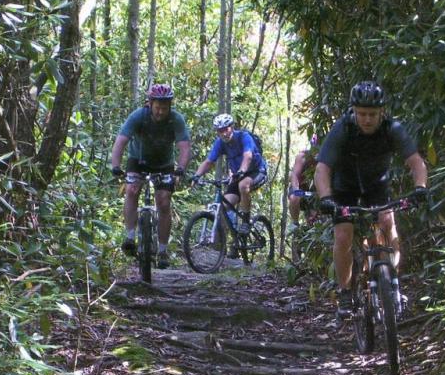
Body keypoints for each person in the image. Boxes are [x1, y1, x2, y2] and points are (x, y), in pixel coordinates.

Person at [314, 80, 429, 320]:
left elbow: (416, 162)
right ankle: (345, 292)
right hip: (345, 188)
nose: (367, 119)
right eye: (362, 114)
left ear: (382, 113)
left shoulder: (392, 128)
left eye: (372, 114)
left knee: (388, 226)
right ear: (354, 112)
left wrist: (420, 188)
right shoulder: (343, 129)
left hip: (377, 186)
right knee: (344, 234)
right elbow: (322, 168)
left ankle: (392, 284)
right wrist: (326, 198)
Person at [110, 83, 191, 269]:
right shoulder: (139, 116)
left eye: (165, 107)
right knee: (131, 189)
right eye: (157, 107)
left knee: (163, 202)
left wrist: (181, 168)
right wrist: (116, 165)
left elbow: (184, 148)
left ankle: (162, 250)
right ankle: (130, 236)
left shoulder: (176, 119)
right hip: (138, 161)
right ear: (150, 104)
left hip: (165, 164)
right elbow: (121, 142)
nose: (161, 111)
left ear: (170, 106)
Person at [190, 114, 268, 256]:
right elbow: (209, 161)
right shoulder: (220, 143)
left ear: (231, 127)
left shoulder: (244, 137)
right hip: (239, 176)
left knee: (243, 186)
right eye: (220, 131)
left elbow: (248, 156)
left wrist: (242, 171)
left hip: (257, 171)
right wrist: (197, 176)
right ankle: (236, 240)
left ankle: (245, 221)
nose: (224, 133)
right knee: (224, 207)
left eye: (226, 129)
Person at [287, 134, 320, 235]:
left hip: (314, 193)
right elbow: (294, 175)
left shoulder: (325, 160)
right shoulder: (302, 156)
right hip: (302, 191)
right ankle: (295, 223)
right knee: (294, 197)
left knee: (315, 218)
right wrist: (296, 189)